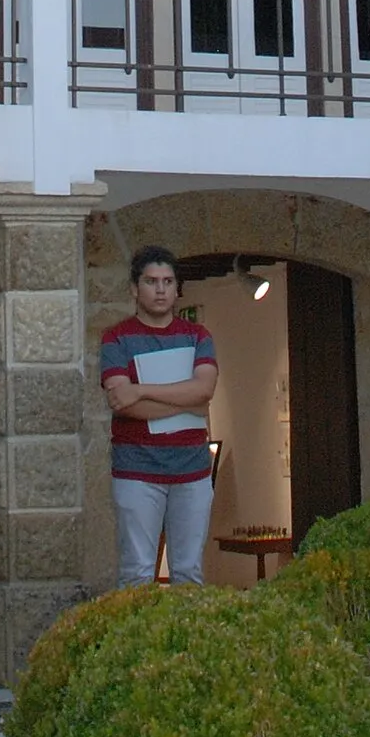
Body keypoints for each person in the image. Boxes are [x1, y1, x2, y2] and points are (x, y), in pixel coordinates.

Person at [100, 246, 217, 589]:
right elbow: (124, 402)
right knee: (136, 573)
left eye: (168, 281)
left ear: (178, 288)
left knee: (189, 571)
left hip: (192, 470)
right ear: (135, 288)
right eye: (152, 281)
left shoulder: (198, 336)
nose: (161, 289)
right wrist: (187, 399)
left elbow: (206, 389)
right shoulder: (116, 338)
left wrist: (143, 389)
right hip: (137, 469)